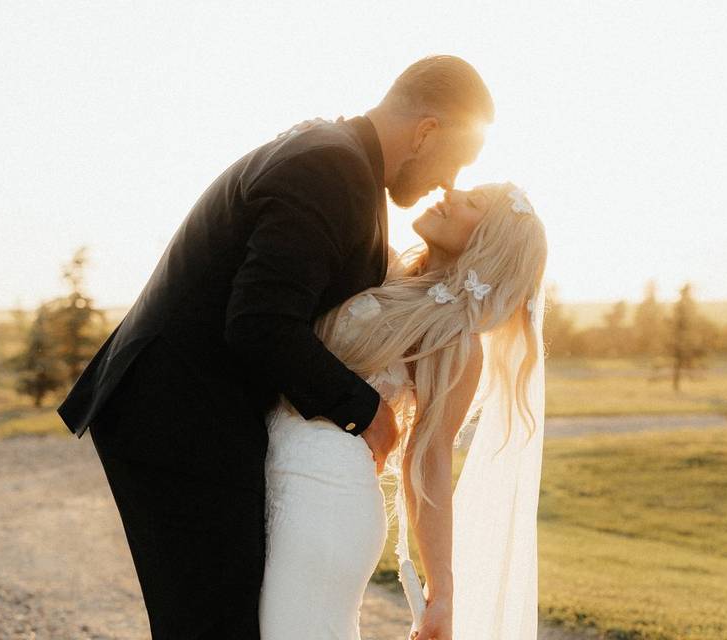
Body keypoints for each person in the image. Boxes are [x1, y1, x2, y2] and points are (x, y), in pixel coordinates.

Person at [55, 54, 494, 639]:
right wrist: (367, 412)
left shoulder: (336, 157)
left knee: (226, 620)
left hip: (196, 412)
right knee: (210, 623)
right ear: (426, 131)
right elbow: (259, 322)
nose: (449, 182)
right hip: (179, 413)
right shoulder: (329, 170)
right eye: (457, 162)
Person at [259, 181, 548, 639]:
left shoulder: (453, 339)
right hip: (265, 482)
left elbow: (429, 459)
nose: (450, 193)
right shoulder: (376, 264)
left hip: (327, 506)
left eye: (471, 203)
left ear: (487, 245)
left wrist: (443, 593)